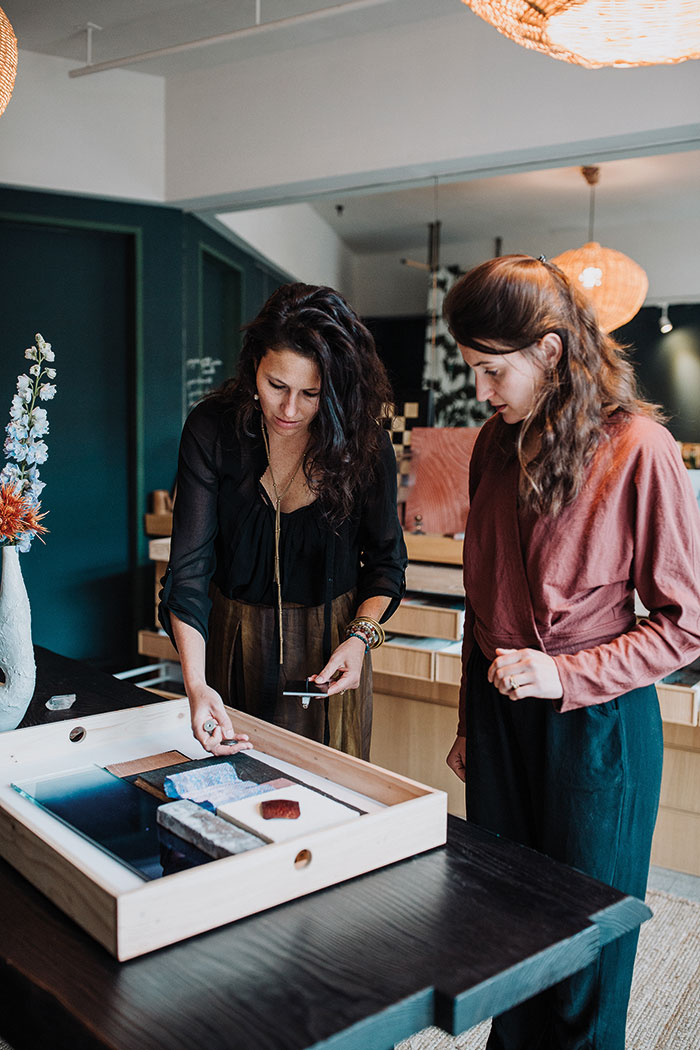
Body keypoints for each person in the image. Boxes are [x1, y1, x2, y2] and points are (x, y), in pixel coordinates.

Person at [442, 254, 700, 1050]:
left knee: (584, 952)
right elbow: (480, 604)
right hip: (500, 719)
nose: (482, 392)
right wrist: (468, 722)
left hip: (598, 735)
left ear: (550, 352)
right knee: (507, 937)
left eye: (492, 370)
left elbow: (685, 623)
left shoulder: (640, 448)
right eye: (472, 370)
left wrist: (561, 671)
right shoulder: (491, 444)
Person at [159, 282, 406, 762]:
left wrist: (360, 638)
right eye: (277, 386)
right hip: (230, 637)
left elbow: (385, 563)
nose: (289, 410)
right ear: (255, 366)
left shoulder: (365, 446)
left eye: (311, 393)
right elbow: (187, 573)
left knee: (329, 792)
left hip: (333, 645)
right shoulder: (212, 429)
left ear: (335, 392)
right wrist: (196, 684)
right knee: (234, 786)